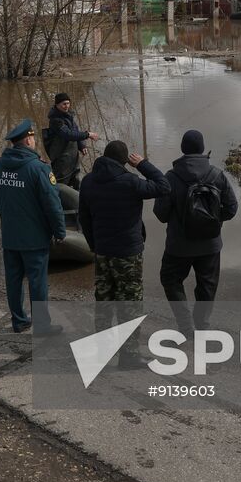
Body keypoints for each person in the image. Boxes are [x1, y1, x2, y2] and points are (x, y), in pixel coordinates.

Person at [77, 140, 170, 339]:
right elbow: (164, 186)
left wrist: (94, 245)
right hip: (128, 253)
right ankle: (129, 353)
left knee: (103, 301)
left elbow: (83, 218)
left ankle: (103, 348)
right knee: (130, 304)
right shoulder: (131, 182)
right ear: (124, 161)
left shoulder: (88, 181)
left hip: (102, 252)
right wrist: (143, 164)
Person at [154, 129, 239, 334]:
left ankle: (185, 325)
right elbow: (231, 208)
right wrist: (213, 221)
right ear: (202, 149)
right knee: (207, 286)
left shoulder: (170, 177)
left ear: (182, 148)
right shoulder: (217, 175)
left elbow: (161, 214)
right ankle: (202, 325)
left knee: (170, 280)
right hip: (210, 244)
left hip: (178, 245)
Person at [0, 119, 66, 335]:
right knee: (37, 282)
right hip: (35, 238)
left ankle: (19, 321)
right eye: (33, 138)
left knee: (13, 280)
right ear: (29, 140)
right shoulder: (38, 168)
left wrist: (9, 217)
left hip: (10, 236)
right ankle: (41, 326)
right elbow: (52, 204)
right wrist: (59, 231)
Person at [44, 92, 99, 190]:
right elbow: (68, 134)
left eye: (68, 103)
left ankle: (78, 198)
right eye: (64, 104)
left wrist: (81, 145)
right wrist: (88, 134)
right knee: (61, 185)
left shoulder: (69, 115)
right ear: (57, 105)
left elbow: (75, 130)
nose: (67, 106)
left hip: (73, 157)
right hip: (61, 159)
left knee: (76, 181)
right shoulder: (55, 120)